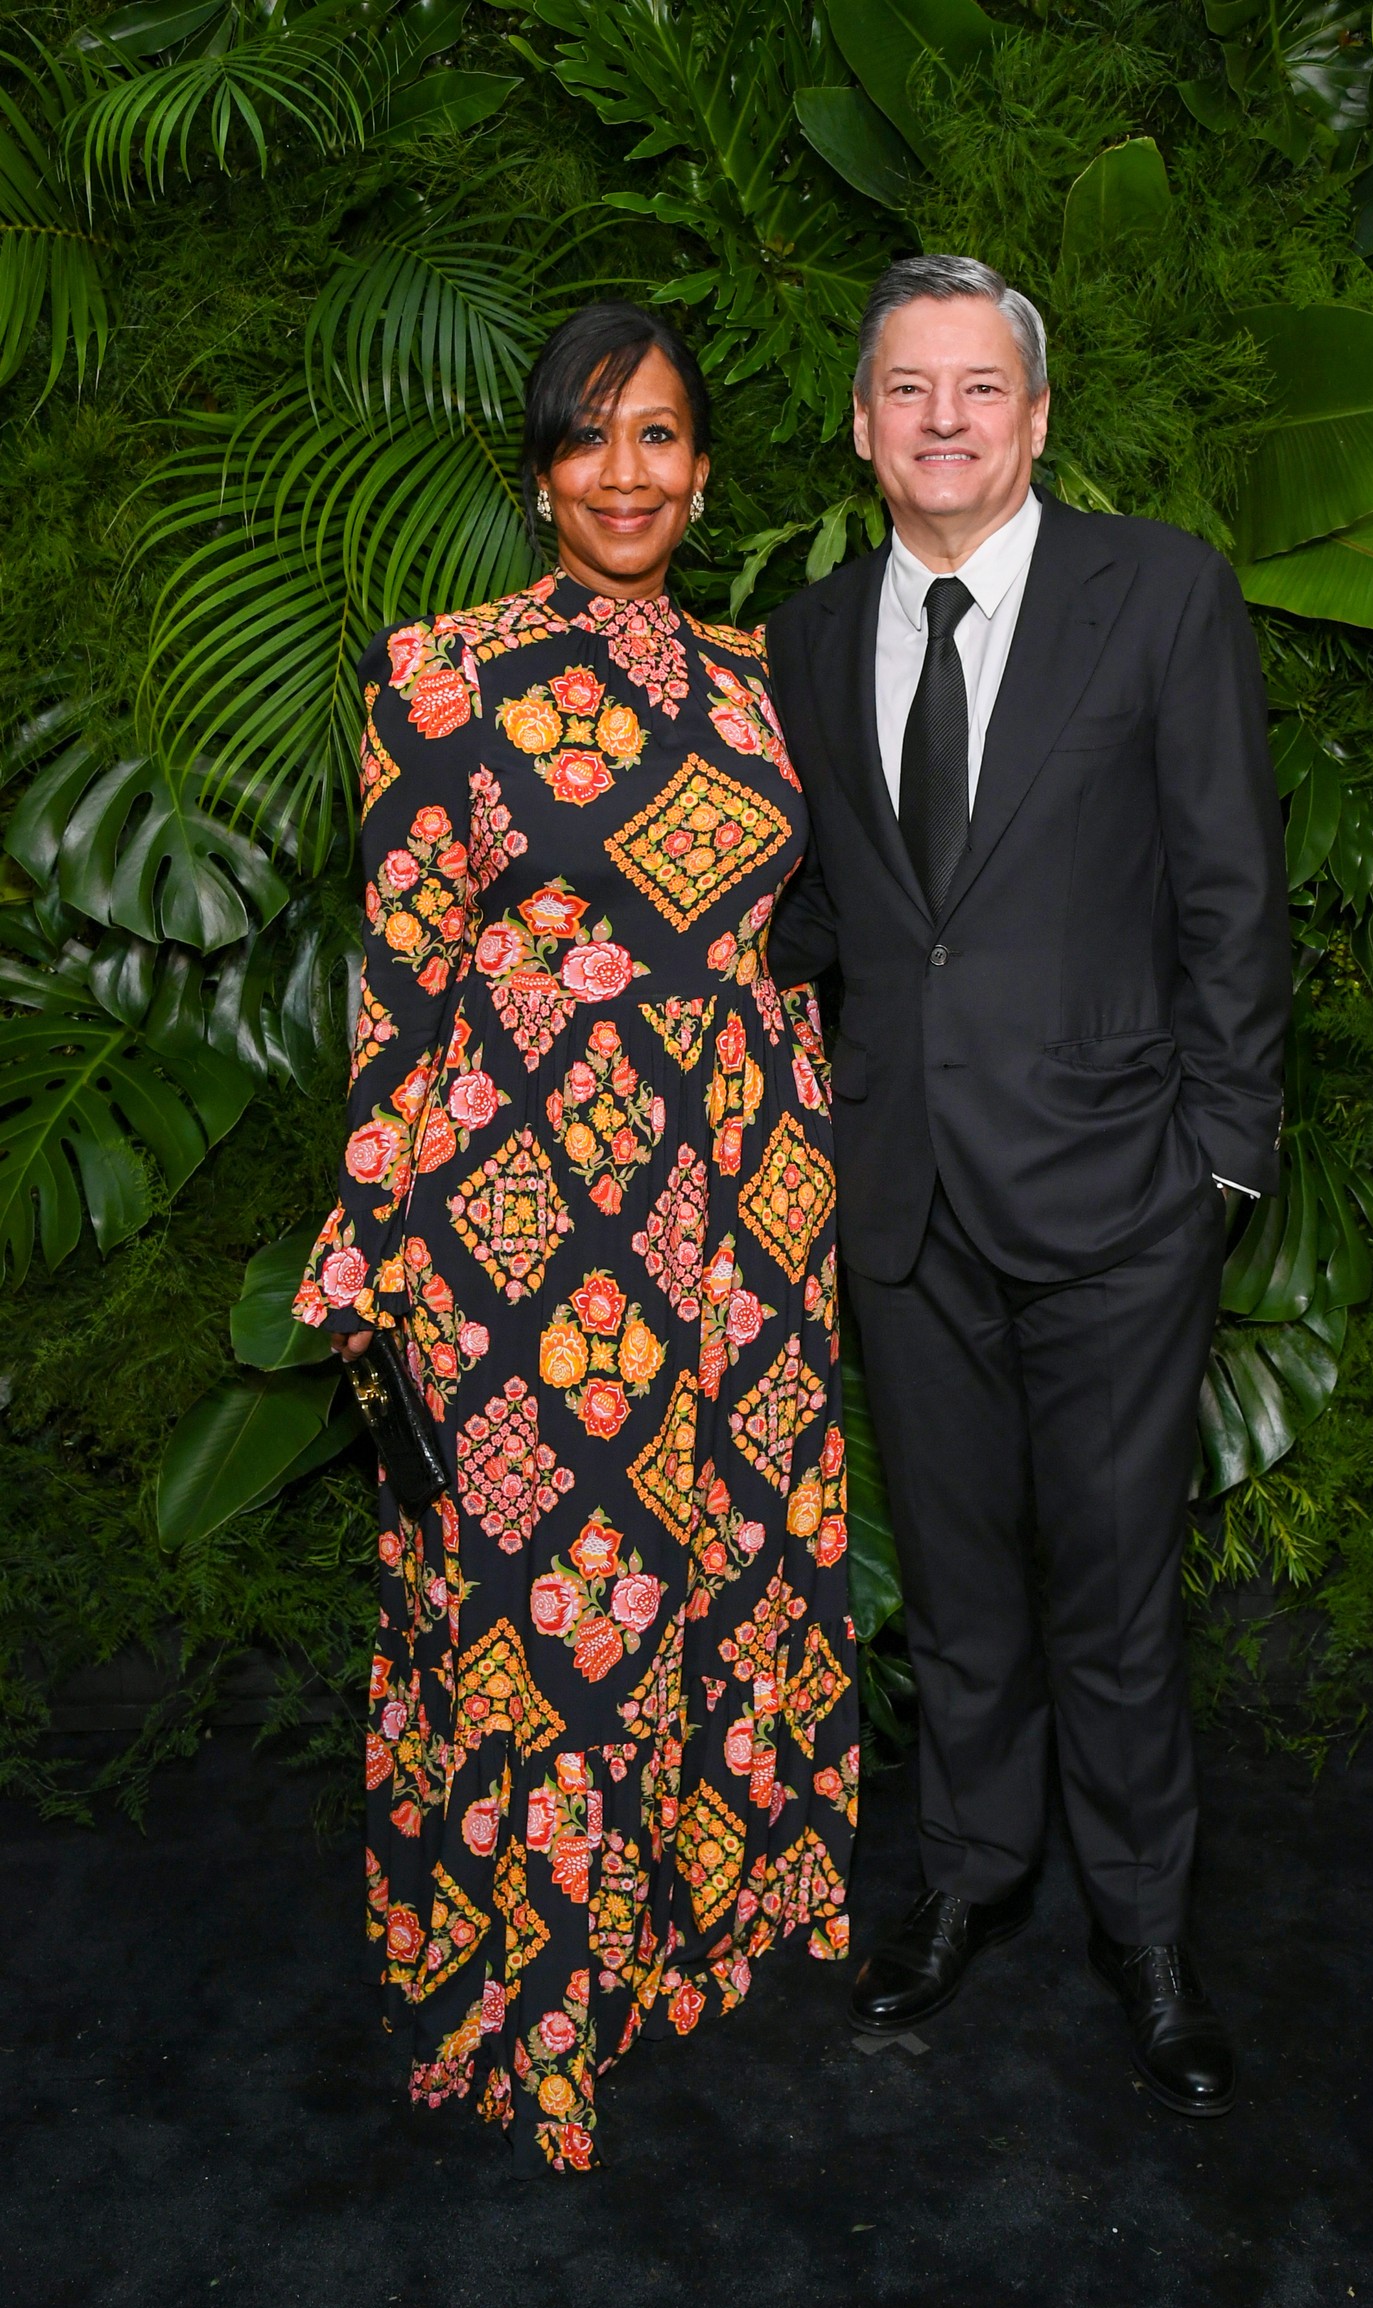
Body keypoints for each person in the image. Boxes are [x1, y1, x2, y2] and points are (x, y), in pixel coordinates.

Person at [293, 303, 856, 2173]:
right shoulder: (438, 678)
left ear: (705, 469)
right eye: (594, 439)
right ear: (540, 468)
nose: (631, 474)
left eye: (665, 439)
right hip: (525, 1218)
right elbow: (398, 970)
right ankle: (536, 1999)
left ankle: (692, 1925)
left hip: (752, 1205)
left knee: (721, 1564)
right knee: (556, 1598)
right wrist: (377, 1226)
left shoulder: (768, 678)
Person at [766, 256, 1291, 2117]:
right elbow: (828, 913)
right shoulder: (813, 636)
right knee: (966, 1597)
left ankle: (1144, 1927)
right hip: (902, 1205)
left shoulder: (1157, 594)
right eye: (907, 389)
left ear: (1038, 416)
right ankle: (972, 1883)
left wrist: (1220, 1162)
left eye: (979, 389)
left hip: (1118, 1207)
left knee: (1117, 1597)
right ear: (860, 423)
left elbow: (1231, 890)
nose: (943, 421)